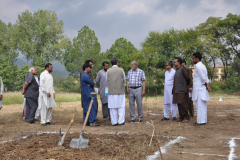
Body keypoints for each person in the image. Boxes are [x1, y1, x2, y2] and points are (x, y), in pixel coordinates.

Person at [192, 52, 211, 126]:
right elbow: (206, 78)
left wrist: (206, 85)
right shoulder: (203, 66)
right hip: (201, 87)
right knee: (203, 105)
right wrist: (207, 85)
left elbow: (203, 78)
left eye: (193, 58)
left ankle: (200, 121)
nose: (192, 59)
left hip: (199, 88)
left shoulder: (198, 66)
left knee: (200, 105)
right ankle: (203, 120)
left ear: (197, 58)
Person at [107, 58, 126, 126]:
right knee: (121, 106)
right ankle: (121, 121)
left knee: (112, 107)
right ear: (117, 63)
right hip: (120, 91)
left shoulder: (108, 71)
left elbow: (107, 81)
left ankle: (114, 122)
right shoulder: (121, 70)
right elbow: (124, 80)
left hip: (111, 91)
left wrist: (107, 93)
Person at [172, 57, 190, 123]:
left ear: (179, 62)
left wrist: (185, 85)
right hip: (177, 90)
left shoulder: (183, 69)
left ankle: (186, 117)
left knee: (183, 104)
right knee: (179, 104)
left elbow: (188, 78)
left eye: (175, 62)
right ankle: (181, 117)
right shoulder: (177, 70)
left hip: (182, 90)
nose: (174, 63)